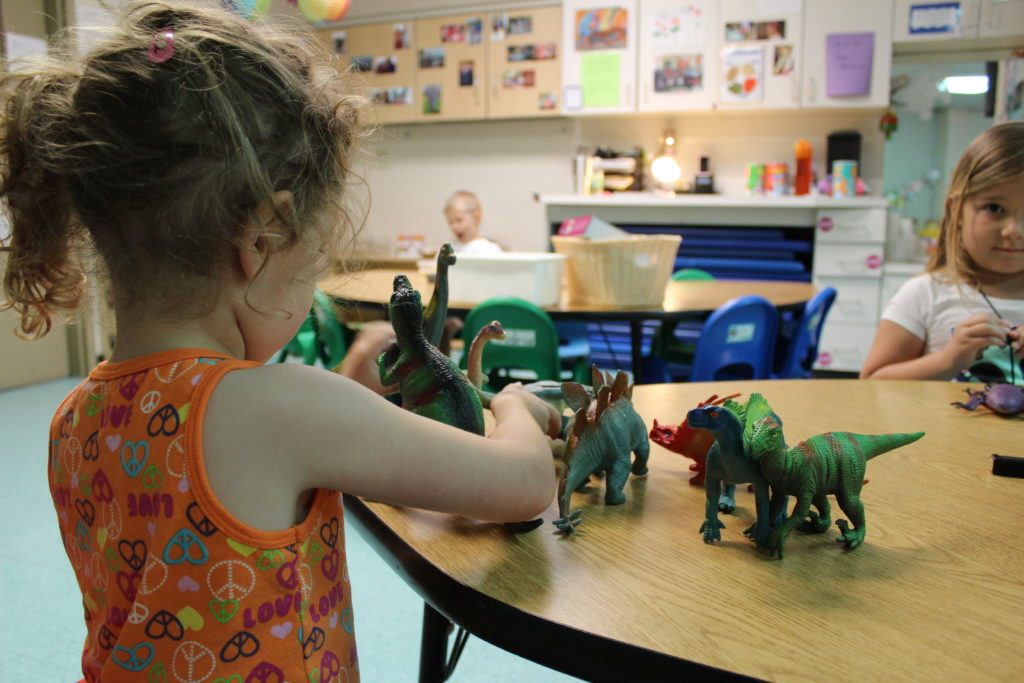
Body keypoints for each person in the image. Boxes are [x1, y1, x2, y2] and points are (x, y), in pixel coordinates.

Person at [0, 3, 560, 681]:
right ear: (262, 242)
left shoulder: (73, 420)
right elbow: (522, 483)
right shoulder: (282, 407)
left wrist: (348, 380)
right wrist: (518, 412)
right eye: (314, 263)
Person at [860, 122, 1024, 384]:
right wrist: (950, 359)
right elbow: (872, 382)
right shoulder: (925, 295)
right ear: (957, 210)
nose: (1013, 231)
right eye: (994, 208)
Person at [443, 190, 503, 254]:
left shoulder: (490, 250)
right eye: (450, 222)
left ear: (477, 218)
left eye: (459, 220)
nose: (454, 227)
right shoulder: (450, 250)